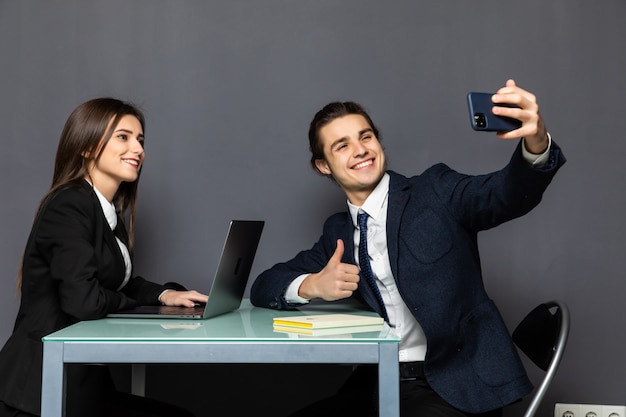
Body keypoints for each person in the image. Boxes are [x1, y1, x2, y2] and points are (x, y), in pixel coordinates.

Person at [250, 79, 566, 417]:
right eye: (342, 145)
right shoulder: (338, 232)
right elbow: (264, 286)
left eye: (366, 136)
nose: (360, 150)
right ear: (323, 166)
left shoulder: (435, 192)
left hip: (454, 384)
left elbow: (503, 195)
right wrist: (311, 285)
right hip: (383, 379)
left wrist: (536, 143)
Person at [0, 98, 208, 417]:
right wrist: (137, 304)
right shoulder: (69, 205)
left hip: (82, 382)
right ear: (87, 146)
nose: (137, 149)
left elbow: (113, 284)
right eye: (123, 137)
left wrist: (165, 294)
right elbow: (84, 301)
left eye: (140, 140)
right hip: (39, 391)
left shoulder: (106, 211)